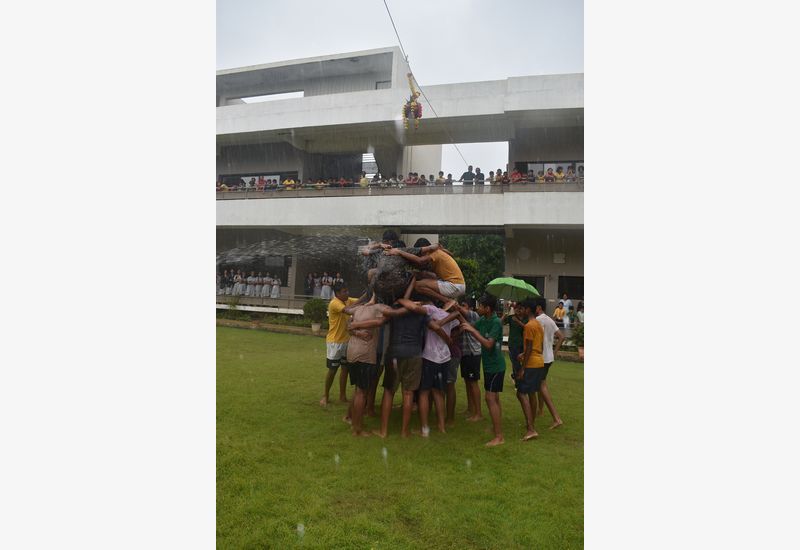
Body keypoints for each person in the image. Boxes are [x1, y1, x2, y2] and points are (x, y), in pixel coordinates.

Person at [396, 294, 459, 437]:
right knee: (438, 393)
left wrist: (400, 298)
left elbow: (413, 307)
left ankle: (425, 429)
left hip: (430, 357)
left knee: (424, 393)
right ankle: (441, 426)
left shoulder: (429, 309)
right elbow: (458, 318)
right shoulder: (447, 314)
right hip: (445, 357)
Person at [460, 294, 506, 447]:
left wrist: (472, 331)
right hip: (488, 366)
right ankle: (496, 429)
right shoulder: (483, 320)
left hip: (496, 366)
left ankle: (499, 437)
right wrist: (457, 313)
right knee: (495, 399)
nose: (478, 308)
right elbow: (470, 326)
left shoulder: (495, 323)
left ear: (488, 308)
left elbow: (488, 344)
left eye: (480, 306)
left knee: (490, 398)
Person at [341, 295, 386, 436]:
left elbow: (348, 324)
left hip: (352, 352)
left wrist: (356, 328)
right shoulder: (378, 309)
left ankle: (354, 421)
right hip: (365, 354)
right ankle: (357, 430)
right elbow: (384, 319)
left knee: (358, 391)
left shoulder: (358, 309)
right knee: (362, 393)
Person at [384, 238, 466, 303]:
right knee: (422, 275)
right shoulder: (439, 253)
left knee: (418, 285)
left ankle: (447, 301)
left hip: (454, 286)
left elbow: (420, 260)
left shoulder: (435, 253)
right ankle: (446, 301)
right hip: (458, 285)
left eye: (421, 253)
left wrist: (399, 252)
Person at [511, 299, 547, 441]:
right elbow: (538, 346)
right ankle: (530, 424)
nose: (522, 311)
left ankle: (531, 428)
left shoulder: (529, 326)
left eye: (524, 308)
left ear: (528, 310)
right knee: (532, 393)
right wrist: (524, 354)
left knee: (521, 393)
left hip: (531, 363)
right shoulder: (538, 324)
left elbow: (530, 346)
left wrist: (523, 368)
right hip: (538, 361)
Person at [320, 282, 359, 407]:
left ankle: (342, 396)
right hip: (335, 342)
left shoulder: (348, 300)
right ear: (337, 294)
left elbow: (360, 301)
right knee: (332, 370)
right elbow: (348, 311)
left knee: (345, 369)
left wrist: (371, 292)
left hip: (346, 341)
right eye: (344, 291)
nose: (347, 293)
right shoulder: (335, 303)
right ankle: (325, 395)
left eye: (347, 291)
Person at [533, 297, 564, 429]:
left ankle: (556, 418)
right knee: (541, 384)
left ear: (538, 307)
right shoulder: (549, 319)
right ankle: (540, 410)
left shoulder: (538, 320)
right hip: (548, 358)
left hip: (541, 358)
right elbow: (561, 337)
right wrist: (554, 352)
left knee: (541, 386)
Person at [457, 299, 483, 421]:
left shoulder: (473, 315)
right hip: (465, 353)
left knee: (473, 382)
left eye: (464, 305)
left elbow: (459, 311)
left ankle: (478, 412)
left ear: (471, 308)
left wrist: (454, 305)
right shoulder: (462, 319)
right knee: (467, 381)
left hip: (473, 353)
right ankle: (470, 408)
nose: (461, 307)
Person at [502, 301, 529, 388]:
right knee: (515, 363)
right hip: (513, 344)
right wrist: (506, 312)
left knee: (522, 364)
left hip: (523, 344)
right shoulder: (511, 317)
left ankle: (515, 376)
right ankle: (518, 383)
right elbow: (501, 322)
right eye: (516, 308)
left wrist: (518, 321)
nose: (518, 310)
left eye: (520, 308)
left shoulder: (526, 319)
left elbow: (527, 328)